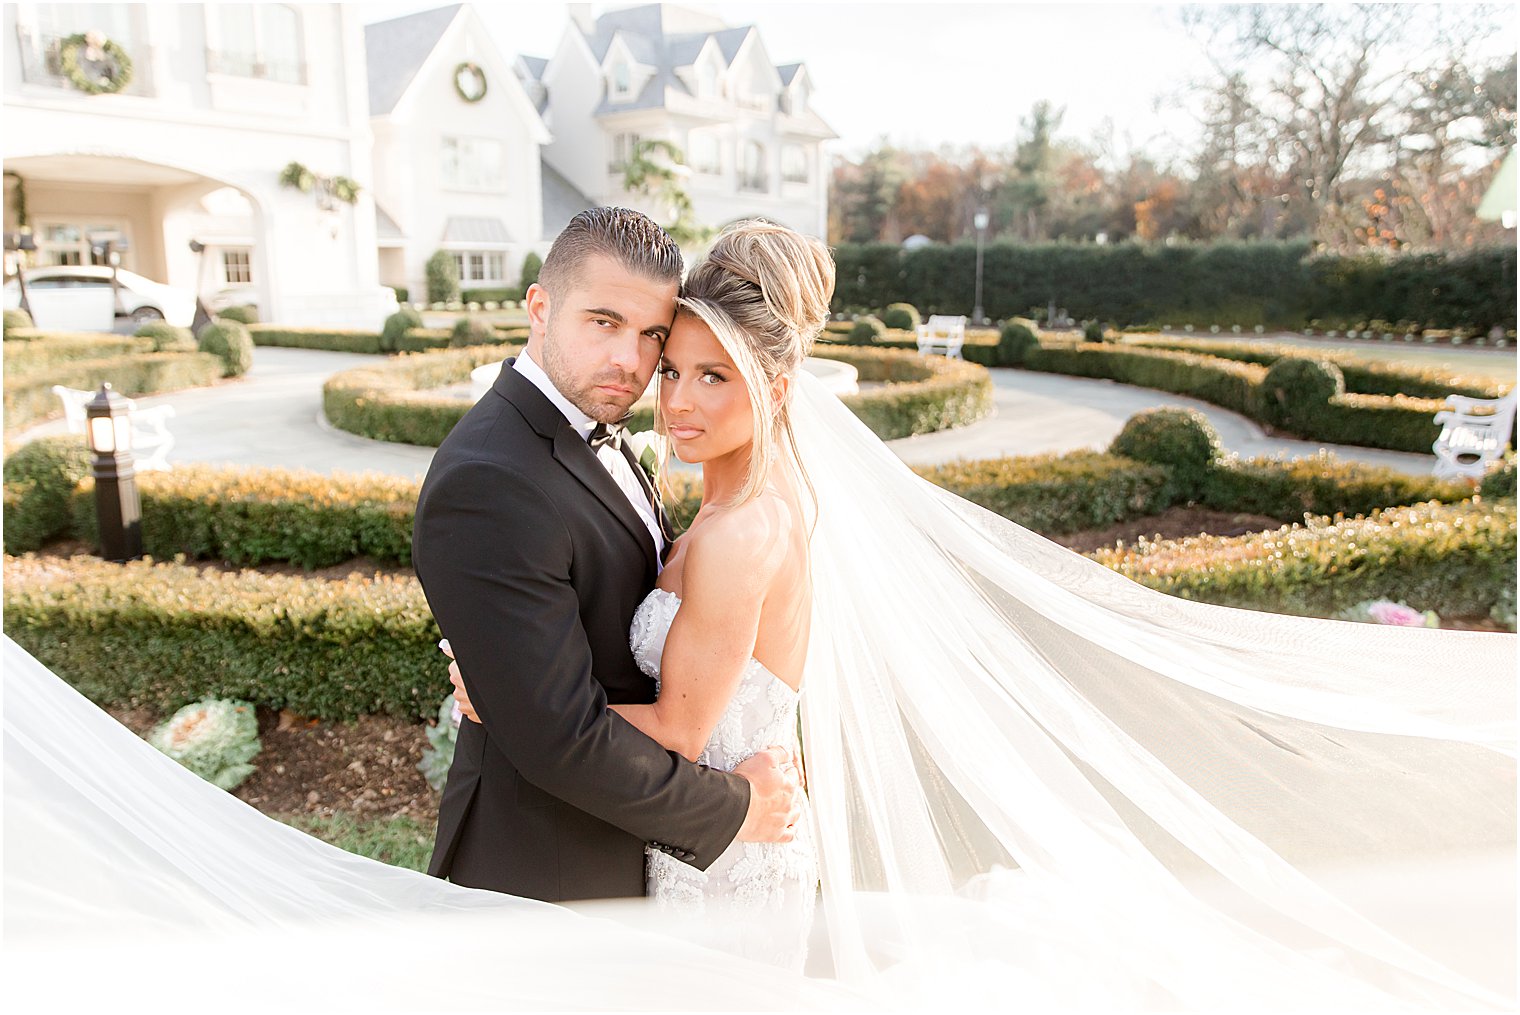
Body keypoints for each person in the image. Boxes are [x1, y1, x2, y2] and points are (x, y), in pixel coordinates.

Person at [5, 220, 1513, 1009]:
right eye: (655, 353)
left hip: (707, 848)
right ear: (542, 311)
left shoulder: (738, 522)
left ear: (775, 387)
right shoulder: (691, 494)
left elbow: (633, 714)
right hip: (660, 844)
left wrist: (650, 762)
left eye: (696, 364)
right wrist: (530, 698)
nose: (666, 388)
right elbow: (592, 666)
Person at [411, 207, 802, 903]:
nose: (632, 361)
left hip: (633, 857)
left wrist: (509, 695)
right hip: (544, 870)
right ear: (539, 306)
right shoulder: (489, 476)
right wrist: (737, 806)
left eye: (652, 335)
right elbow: (558, 739)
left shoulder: (607, 429)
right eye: (603, 322)